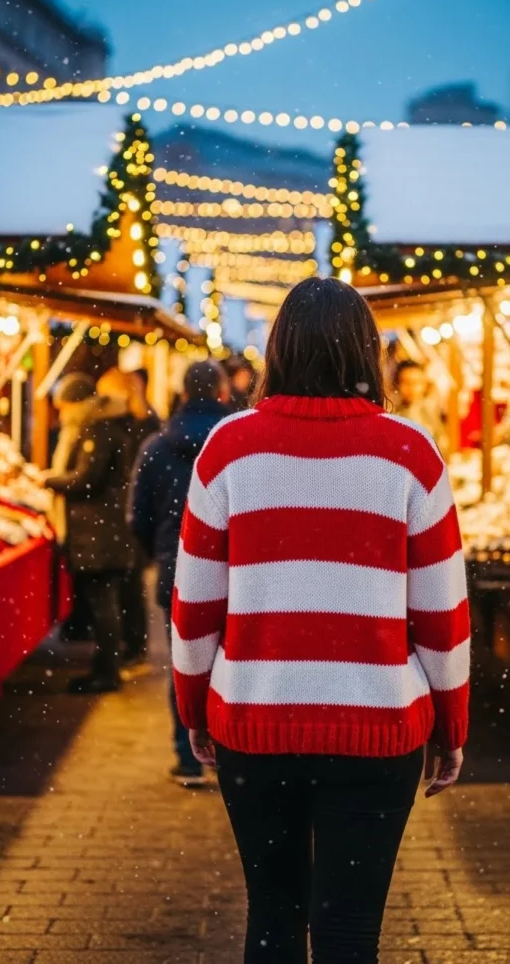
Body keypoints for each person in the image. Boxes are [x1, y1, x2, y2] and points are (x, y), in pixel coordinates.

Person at [172, 277, 470, 962]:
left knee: (273, 917)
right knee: (349, 930)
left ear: (277, 351)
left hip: (255, 724)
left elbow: (193, 610)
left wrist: (195, 712)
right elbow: (443, 618)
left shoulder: (228, 449)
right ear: (367, 353)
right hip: (378, 729)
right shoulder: (410, 454)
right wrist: (451, 727)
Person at [130, 359, 228, 786]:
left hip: (178, 567)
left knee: (186, 663)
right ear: (222, 392)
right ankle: (230, 752)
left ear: (185, 393)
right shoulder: (238, 443)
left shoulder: (157, 445)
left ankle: (188, 756)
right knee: (232, 662)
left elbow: (138, 516)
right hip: (233, 571)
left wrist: (164, 553)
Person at [44, 372, 133, 693]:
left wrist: (48, 480)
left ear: (78, 404)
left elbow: (86, 479)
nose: (62, 413)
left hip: (99, 534)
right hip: (98, 532)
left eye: (64, 406)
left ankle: (107, 672)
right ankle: (105, 666)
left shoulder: (98, 430)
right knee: (102, 602)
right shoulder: (99, 427)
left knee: (103, 603)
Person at [97, 367, 160, 661]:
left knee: (127, 583)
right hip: (134, 509)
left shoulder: (123, 426)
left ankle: (133, 644)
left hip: (122, 511)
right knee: (131, 581)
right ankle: (135, 643)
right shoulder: (147, 422)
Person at [394, 359, 449, 457]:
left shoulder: (431, 412)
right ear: (397, 385)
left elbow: (442, 445)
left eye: (416, 382)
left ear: (424, 385)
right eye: (406, 382)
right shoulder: (392, 413)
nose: (411, 387)